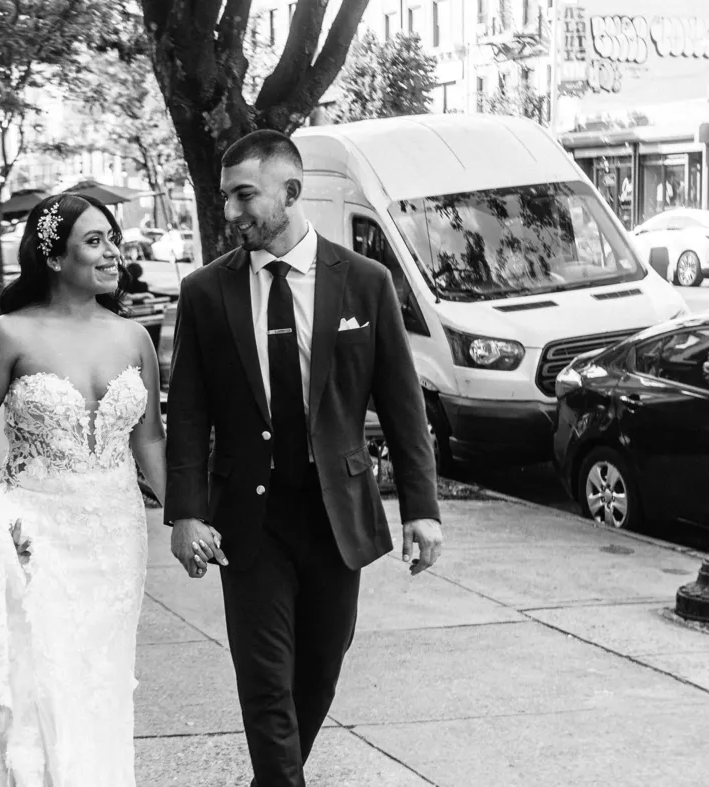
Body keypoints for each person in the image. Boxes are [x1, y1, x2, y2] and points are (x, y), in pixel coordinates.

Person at [164, 130, 444, 786]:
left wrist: (422, 510)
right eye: (225, 196)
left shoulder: (366, 284)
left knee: (317, 674)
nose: (231, 212)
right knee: (264, 686)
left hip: (334, 517)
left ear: (291, 192)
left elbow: (404, 409)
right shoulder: (206, 292)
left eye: (243, 196)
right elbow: (191, 414)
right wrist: (185, 512)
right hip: (248, 523)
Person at [0, 193, 166, 786]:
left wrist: (185, 515)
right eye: (95, 241)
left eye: (113, 238)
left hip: (115, 539)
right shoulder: (7, 334)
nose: (113, 250)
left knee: (101, 680)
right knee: (42, 684)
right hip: (33, 534)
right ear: (55, 258)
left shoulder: (135, 337)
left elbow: (151, 443)